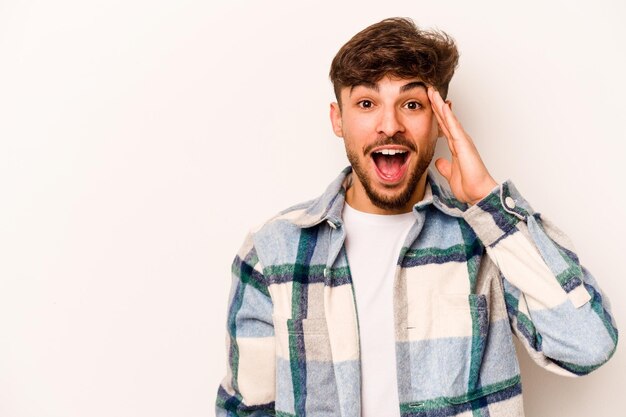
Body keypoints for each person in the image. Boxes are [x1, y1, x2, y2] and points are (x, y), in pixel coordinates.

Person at [215, 17, 618, 417]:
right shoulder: (273, 250)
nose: (389, 126)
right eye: (367, 104)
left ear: (441, 119)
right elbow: (245, 409)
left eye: (411, 104)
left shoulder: (486, 238)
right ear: (338, 119)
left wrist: (487, 200)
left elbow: (588, 345)